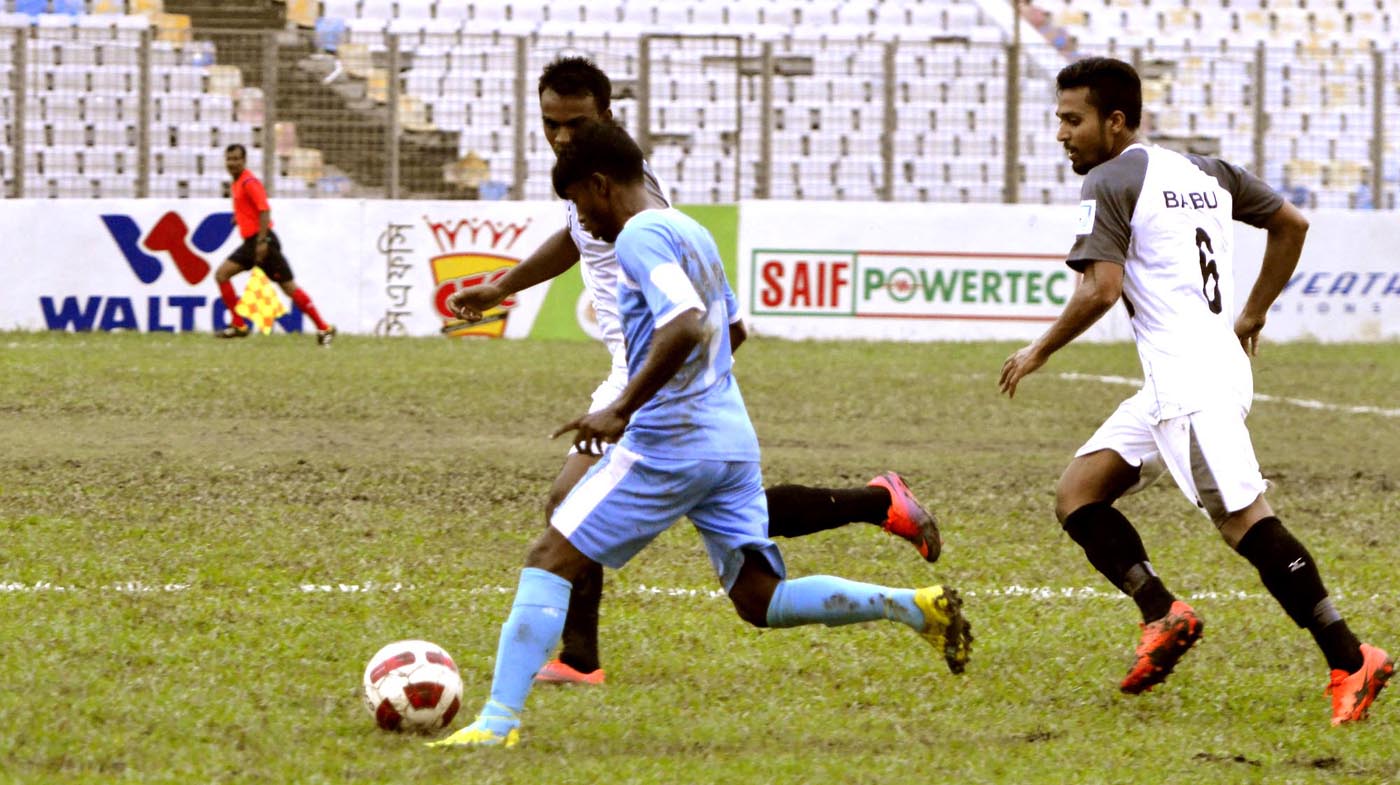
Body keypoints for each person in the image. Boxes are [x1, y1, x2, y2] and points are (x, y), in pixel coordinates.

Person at [429, 122, 972, 749]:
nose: (586, 226)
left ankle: (497, 725)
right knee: (760, 599)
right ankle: (911, 605)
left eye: (581, 205)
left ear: (601, 186)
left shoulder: (637, 236)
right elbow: (731, 331)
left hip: (670, 442)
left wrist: (622, 408)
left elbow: (685, 324)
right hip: (729, 440)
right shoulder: (691, 230)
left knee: (549, 558)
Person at [998, 57, 1391, 725]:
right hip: (1194, 372)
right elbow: (1291, 224)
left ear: (1115, 123)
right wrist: (1253, 312)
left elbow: (1100, 288)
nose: (1061, 134)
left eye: (1072, 119)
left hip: (1191, 385)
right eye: (1059, 119)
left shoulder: (1109, 179)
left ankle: (1351, 656)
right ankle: (1162, 612)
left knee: (1245, 521)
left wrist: (1039, 349)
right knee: (1079, 493)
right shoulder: (1206, 171)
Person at [214, 144, 337, 346]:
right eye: (229, 159)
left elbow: (264, 210)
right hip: (252, 242)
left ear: (244, 161)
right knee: (222, 275)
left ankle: (324, 328)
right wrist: (239, 218)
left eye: (236, 159)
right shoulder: (236, 183)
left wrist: (262, 241)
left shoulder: (249, 182)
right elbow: (251, 209)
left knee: (288, 288)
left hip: (263, 243)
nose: (232, 163)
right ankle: (239, 325)